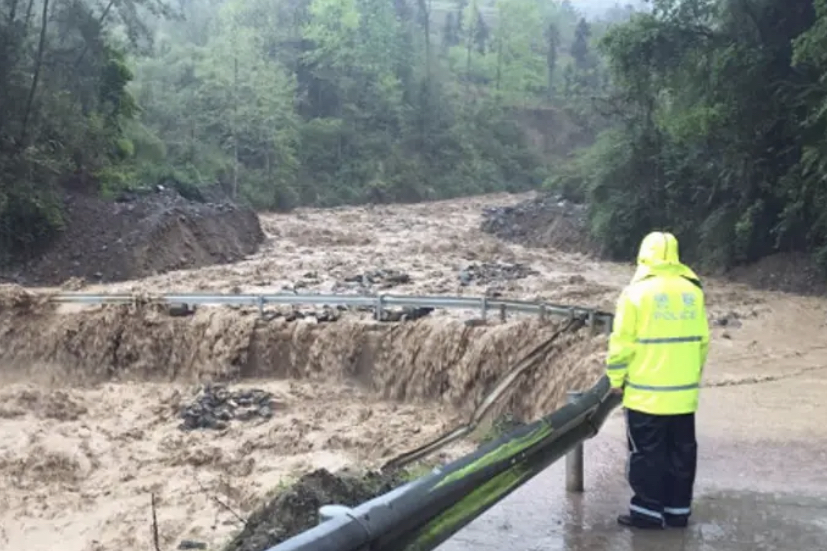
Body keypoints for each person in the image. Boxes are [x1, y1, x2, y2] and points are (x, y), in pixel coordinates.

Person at [606, 231, 710, 530]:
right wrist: (691, 375)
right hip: (683, 397)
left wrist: (615, 378)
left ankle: (647, 514)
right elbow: (703, 342)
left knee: (647, 456)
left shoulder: (636, 294)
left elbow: (621, 343)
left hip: (646, 396)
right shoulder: (693, 291)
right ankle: (678, 513)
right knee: (682, 454)